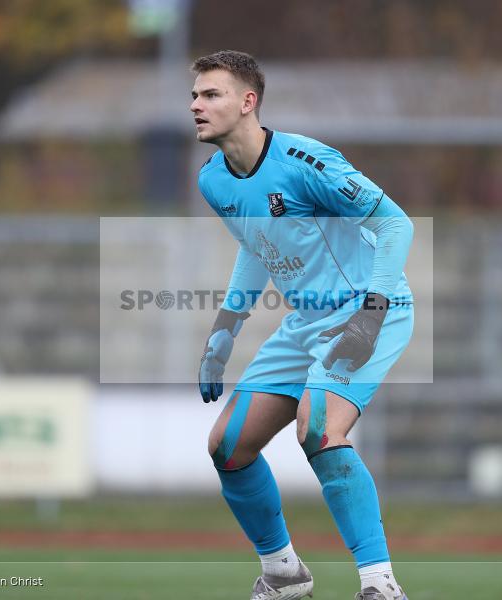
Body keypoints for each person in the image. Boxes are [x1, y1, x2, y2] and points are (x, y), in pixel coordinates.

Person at [191, 50, 413, 600]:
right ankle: (284, 574)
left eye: (211, 94)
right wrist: (226, 327)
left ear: (248, 102)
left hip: (370, 308)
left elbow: (395, 225)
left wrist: (371, 313)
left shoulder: (305, 161)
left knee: (318, 428)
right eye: (194, 96)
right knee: (228, 445)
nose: (197, 105)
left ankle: (380, 585)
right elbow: (255, 246)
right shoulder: (214, 179)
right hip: (306, 321)